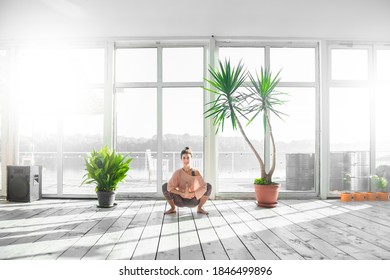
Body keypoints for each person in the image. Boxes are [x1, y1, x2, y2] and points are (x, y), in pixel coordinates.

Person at [162, 147, 212, 215]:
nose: (186, 160)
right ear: (181, 159)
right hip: (180, 201)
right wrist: (181, 193)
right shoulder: (178, 172)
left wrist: (192, 194)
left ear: (191, 158)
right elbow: (169, 187)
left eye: (188, 158)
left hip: (193, 200)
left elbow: (204, 187)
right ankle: (173, 208)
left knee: (209, 186)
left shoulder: (196, 172)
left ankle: (199, 208)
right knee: (165, 186)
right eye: (184, 158)